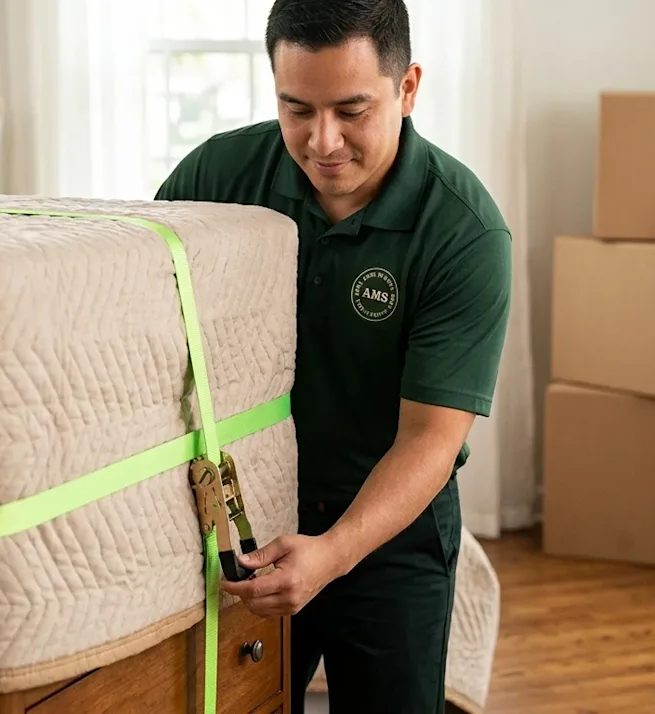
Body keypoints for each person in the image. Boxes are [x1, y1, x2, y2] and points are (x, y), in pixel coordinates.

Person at [154, 0, 512, 711]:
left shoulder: (464, 232)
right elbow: (146, 322)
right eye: (297, 109)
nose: (322, 142)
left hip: (390, 527)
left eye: (352, 110)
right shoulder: (217, 179)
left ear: (407, 88)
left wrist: (335, 550)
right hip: (248, 511)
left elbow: (431, 441)